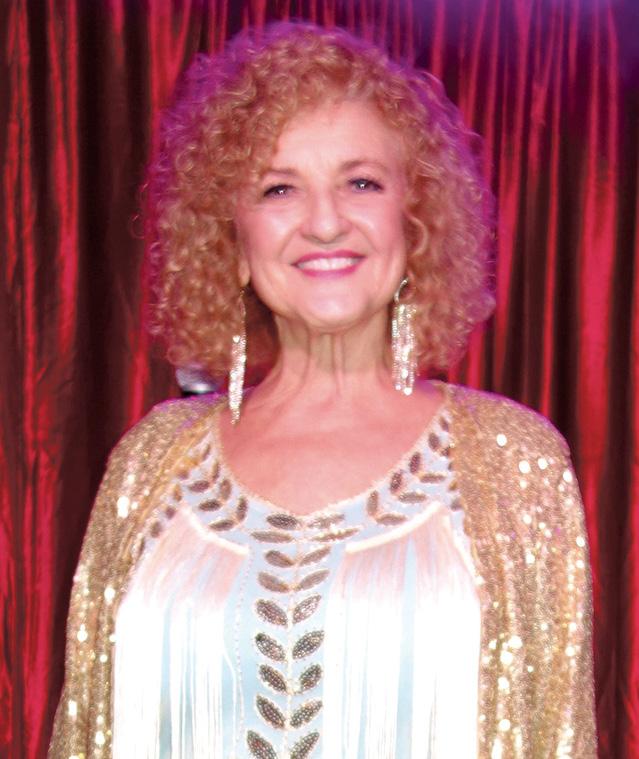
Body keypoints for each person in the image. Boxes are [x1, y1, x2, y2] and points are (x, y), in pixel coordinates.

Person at [49, 22, 595, 759]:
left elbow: (555, 734)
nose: (326, 221)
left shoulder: (513, 463)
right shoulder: (151, 464)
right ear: (232, 242)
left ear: (415, 222)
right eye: (278, 188)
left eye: (360, 182)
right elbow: (87, 730)